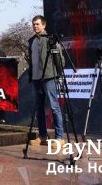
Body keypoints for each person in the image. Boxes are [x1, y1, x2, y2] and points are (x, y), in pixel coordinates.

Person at [28, 15, 65, 146]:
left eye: (37, 24)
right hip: (36, 79)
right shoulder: (31, 41)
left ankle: (60, 137)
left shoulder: (50, 40)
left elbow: (60, 59)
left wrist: (58, 74)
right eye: (33, 24)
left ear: (44, 25)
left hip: (49, 77)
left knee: (54, 106)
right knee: (39, 108)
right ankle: (43, 136)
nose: (35, 26)